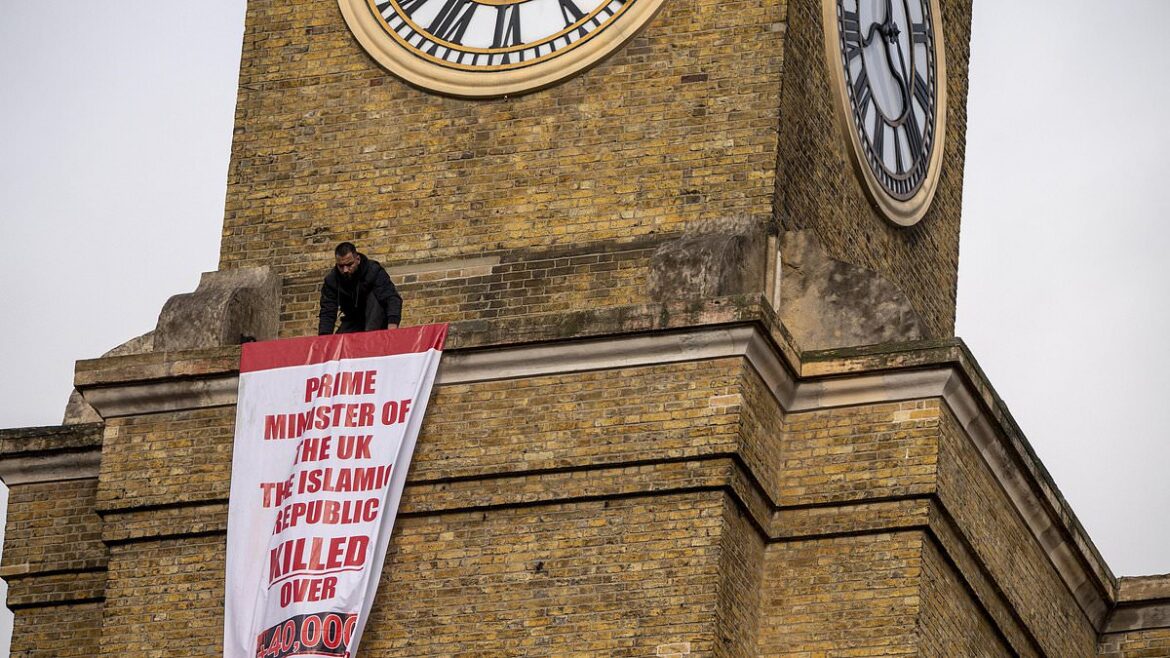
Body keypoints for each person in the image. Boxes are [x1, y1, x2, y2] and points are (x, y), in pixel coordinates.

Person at [318, 242, 403, 335]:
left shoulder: (373, 270)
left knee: (375, 296)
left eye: (349, 265)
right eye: (341, 266)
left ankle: (370, 338)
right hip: (353, 319)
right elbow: (327, 311)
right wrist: (324, 339)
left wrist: (392, 329)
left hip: (376, 315)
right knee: (340, 343)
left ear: (357, 259)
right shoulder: (332, 280)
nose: (345, 270)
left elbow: (391, 298)